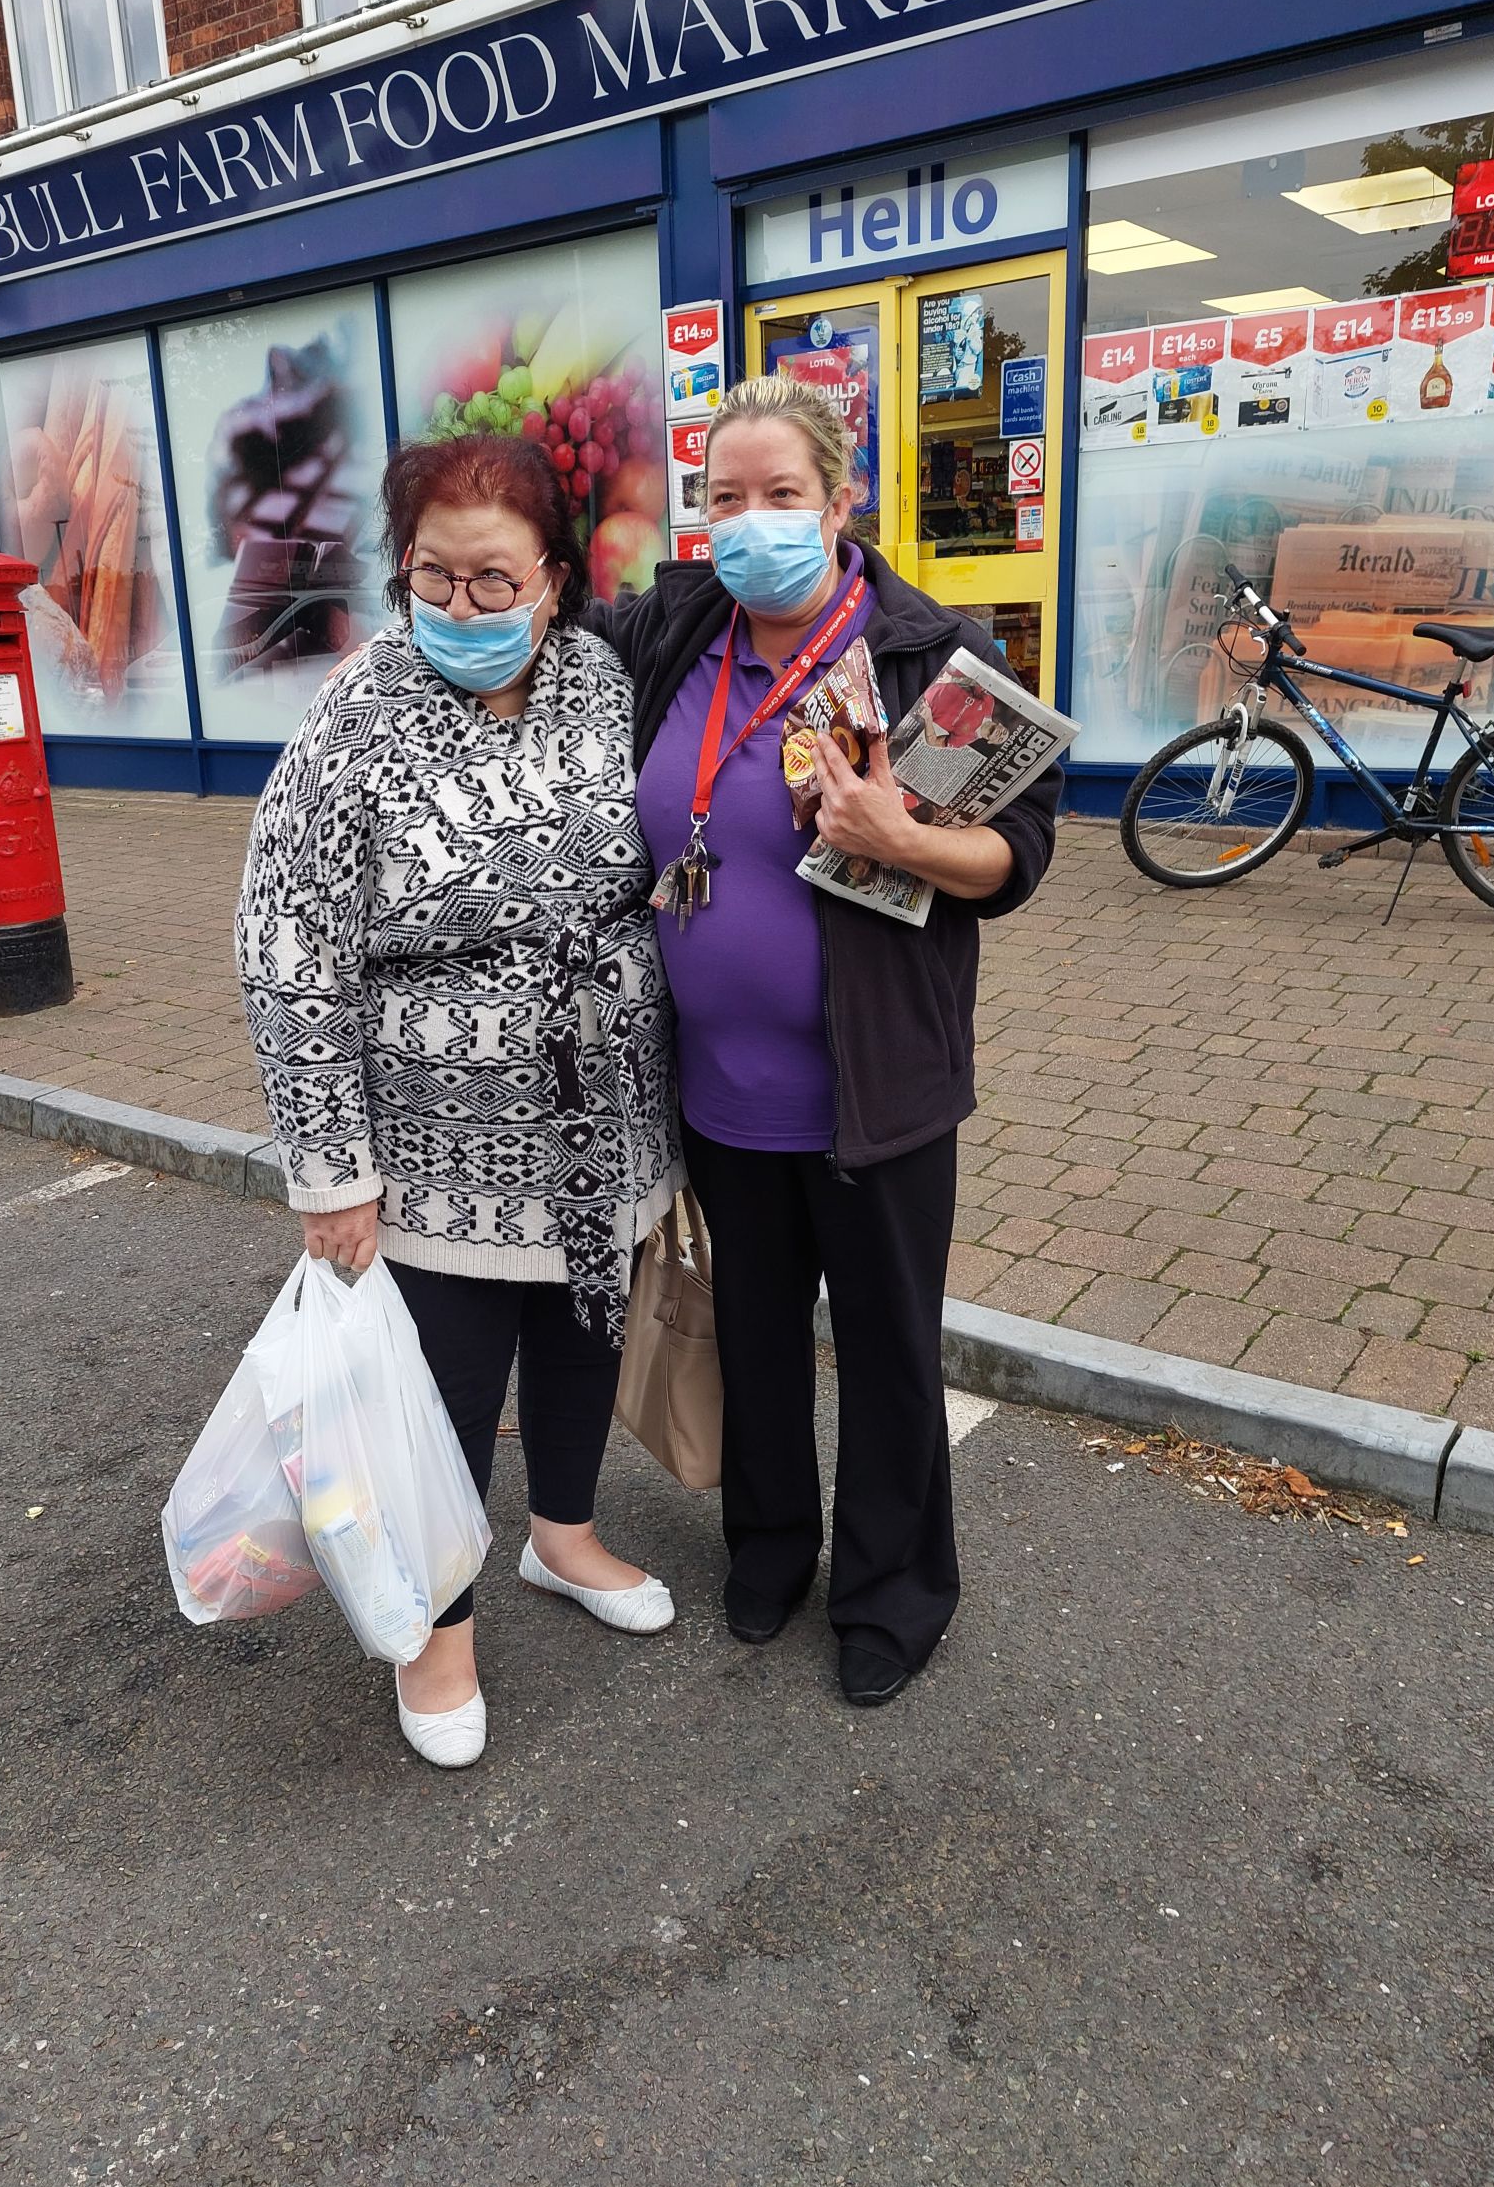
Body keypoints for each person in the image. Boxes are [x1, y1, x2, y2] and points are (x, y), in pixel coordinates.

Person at [587, 373, 1061, 1708]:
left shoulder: (930, 655)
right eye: (724, 497)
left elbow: (1017, 857)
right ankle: (770, 1546)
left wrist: (902, 838)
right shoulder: (675, 628)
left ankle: (891, 1593)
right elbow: (529, 629)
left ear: (840, 501)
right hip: (718, 1088)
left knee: (889, 1349)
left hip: (877, 1089)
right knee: (752, 1330)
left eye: (781, 494)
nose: (751, 522)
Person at [238, 434, 683, 1770]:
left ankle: (563, 1533)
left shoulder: (603, 682)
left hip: (603, 1121)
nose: (461, 606)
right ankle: (436, 1627)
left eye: (495, 580)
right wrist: (331, 1171)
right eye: (433, 576)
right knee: (439, 1393)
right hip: (434, 1148)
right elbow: (288, 944)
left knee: (584, 1339)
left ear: (554, 576)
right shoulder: (358, 714)